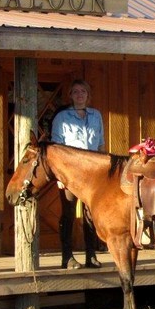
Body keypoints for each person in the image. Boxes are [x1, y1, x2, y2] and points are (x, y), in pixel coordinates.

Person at [51, 79, 104, 269]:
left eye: (83, 91)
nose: (80, 95)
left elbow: (100, 146)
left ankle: (91, 255)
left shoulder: (96, 115)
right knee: (68, 214)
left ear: (88, 95)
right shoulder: (62, 117)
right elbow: (56, 148)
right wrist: (59, 175)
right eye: (75, 92)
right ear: (70, 95)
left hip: (92, 173)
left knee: (91, 214)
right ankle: (68, 257)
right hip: (70, 173)